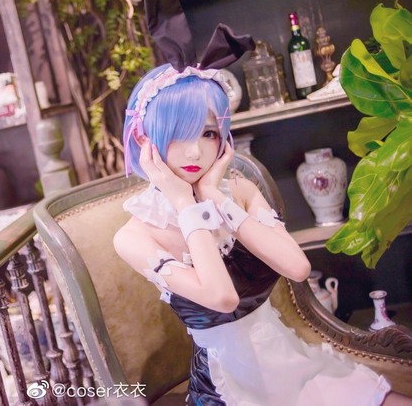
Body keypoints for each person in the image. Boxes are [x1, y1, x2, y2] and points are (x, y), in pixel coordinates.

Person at [113, 60, 410, 405]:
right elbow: (223, 298)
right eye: (179, 133)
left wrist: (214, 197)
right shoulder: (134, 236)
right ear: (143, 138)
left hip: (291, 361)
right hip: (227, 385)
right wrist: (185, 204)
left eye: (208, 133)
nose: (195, 151)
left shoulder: (238, 191)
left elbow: (297, 268)